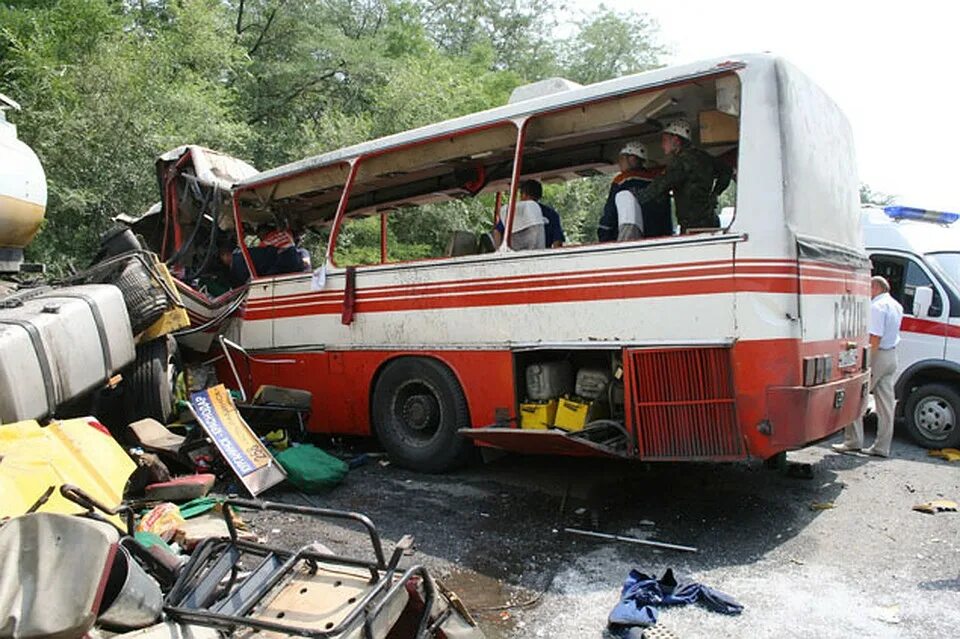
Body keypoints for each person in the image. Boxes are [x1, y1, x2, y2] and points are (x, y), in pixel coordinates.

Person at [833, 276, 904, 457]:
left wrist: (866, 363)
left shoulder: (877, 307)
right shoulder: (896, 305)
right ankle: (882, 447)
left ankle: (853, 441)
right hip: (891, 355)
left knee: (855, 396)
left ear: (875, 287)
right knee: (886, 404)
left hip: (878, 355)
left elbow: (875, 338)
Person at [634, 119, 733, 233]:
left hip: (694, 226)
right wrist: (715, 193)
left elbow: (661, 185)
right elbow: (727, 171)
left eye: (665, 140)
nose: (662, 145)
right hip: (710, 221)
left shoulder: (681, 162)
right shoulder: (703, 157)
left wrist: (637, 197)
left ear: (676, 140)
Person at [597, 141, 672, 242]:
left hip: (633, 242)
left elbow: (610, 213)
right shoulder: (658, 181)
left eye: (622, 158)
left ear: (632, 158)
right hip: (660, 240)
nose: (620, 163)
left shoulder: (622, 180)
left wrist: (604, 235)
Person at [494, 185, 546, 250]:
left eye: (521, 194)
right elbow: (557, 242)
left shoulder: (514, 211)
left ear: (524, 195)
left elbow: (497, 231)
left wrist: (498, 251)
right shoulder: (551, 213)